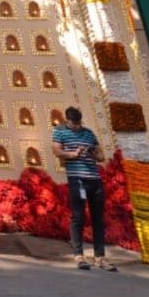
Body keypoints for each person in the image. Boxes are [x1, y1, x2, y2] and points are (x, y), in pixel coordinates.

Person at [52, 105, 117, 271]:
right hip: (77, 179)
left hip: (94, 179)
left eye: (79, 122)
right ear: (67, 120)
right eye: (74, 123)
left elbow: (101, 156)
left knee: (98, 219)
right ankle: (79, 255)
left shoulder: (89, 133)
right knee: (78, 217)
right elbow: (57, 151)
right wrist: (73, 154)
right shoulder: (59, 132)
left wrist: (92, 153)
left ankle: (100, 257)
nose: (77, 126)